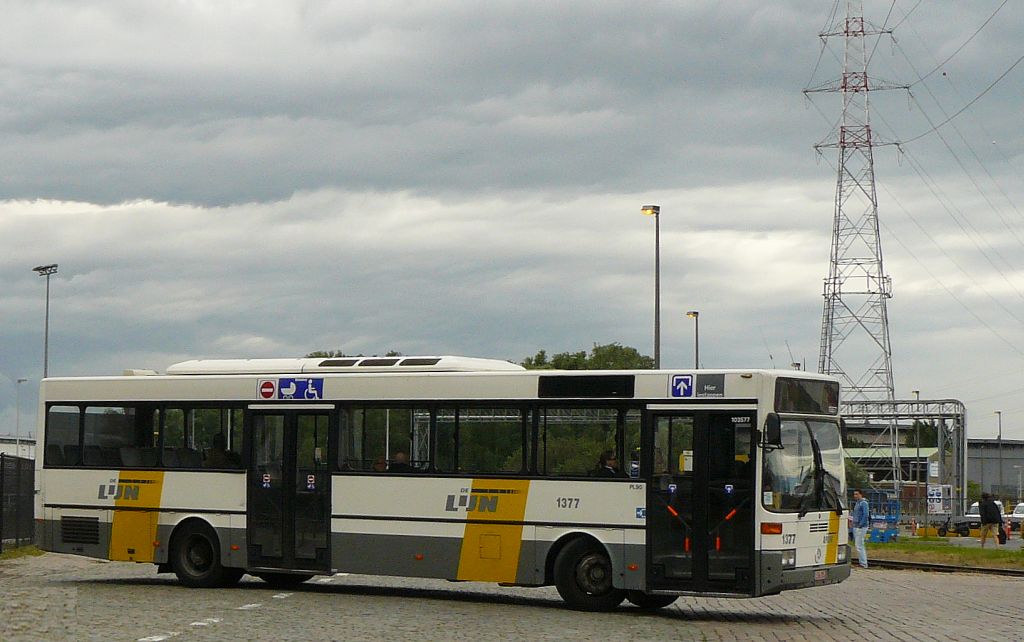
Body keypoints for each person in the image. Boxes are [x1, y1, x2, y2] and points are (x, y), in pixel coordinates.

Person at [850, 489, 869, 568]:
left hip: (861, 527)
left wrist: (860, 524)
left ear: (861, 494)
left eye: (857, 494)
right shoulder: (857, 503)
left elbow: (865, 514)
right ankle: (862, 562)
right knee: (858, 544)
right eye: (854, 494)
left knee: (859, 545)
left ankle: (863, 563)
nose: (855, 496)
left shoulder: (863, 503)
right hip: (856, 526)